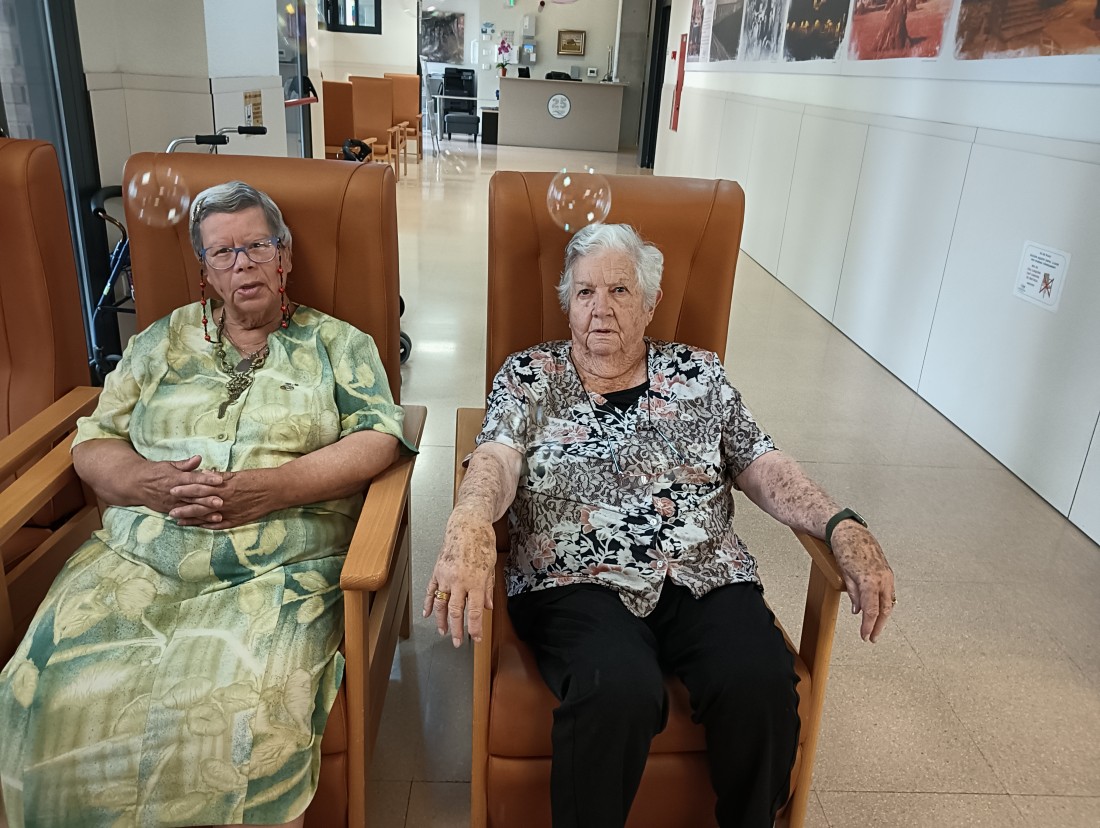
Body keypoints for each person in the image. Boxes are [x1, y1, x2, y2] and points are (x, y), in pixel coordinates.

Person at [425, 223, 896, 827]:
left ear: (650, 304)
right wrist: (469, 517)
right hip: (578, 578)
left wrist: (839, 523)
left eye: (619, 291)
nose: (600, 309)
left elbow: (762, 463)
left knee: (758, 683)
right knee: (616, 688)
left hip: (705, 572)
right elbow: (496, 458)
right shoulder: (529, 375)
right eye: (585, 292)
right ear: (568, 303)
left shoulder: (700, 374)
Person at [0, 181, 413, 828]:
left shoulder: (339, 343)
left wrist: (271, 487)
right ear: (207, 273)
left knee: (247, 715)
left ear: (284, 258)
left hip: (278, 565)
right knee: (42, 690)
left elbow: (378, 435)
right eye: (224, 253)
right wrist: (145, 482)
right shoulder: (159, 343)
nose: (243, 264)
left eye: (258, 247)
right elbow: (95, 439)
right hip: (138, 559)